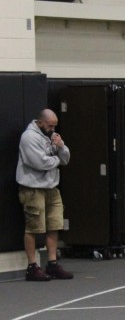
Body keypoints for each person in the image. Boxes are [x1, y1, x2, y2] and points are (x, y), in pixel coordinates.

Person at [16, 109, 73, 281]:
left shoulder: (52, 136)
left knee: (54, 225)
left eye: (55, 126)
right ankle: (32, 267)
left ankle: (52, 264)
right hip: (33, 189)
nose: (52, 129)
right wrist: (57, 161)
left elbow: (66, 158)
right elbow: (39, 163)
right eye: (49, 125)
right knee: (33, 228)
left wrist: (61, 146)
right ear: (40, 122)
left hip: (52, 188)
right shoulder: (29, 137)